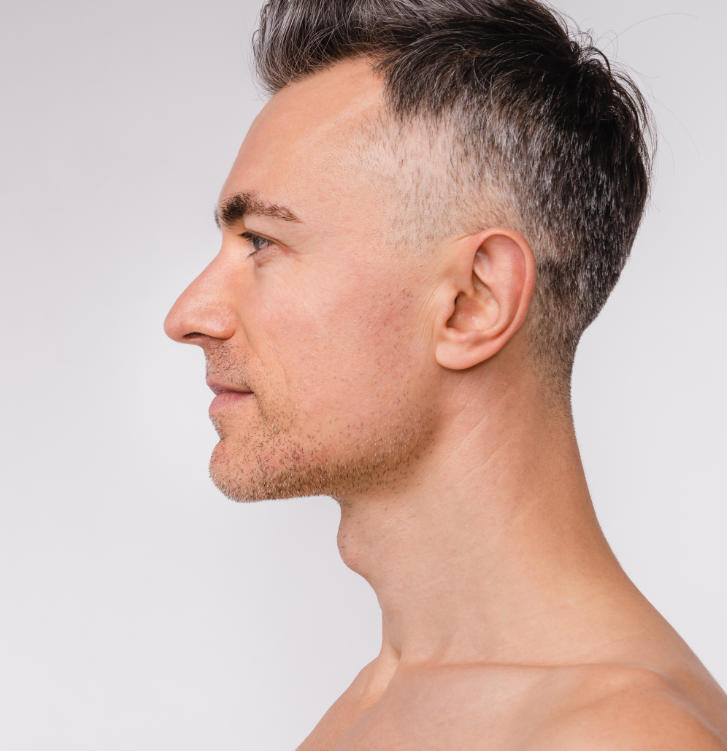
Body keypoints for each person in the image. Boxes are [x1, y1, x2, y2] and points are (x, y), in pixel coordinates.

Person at [163, 0, 727, 747]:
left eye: (261, 241)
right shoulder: (386, 699)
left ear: (471, 302)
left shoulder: (617, 733)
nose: (188, 314)